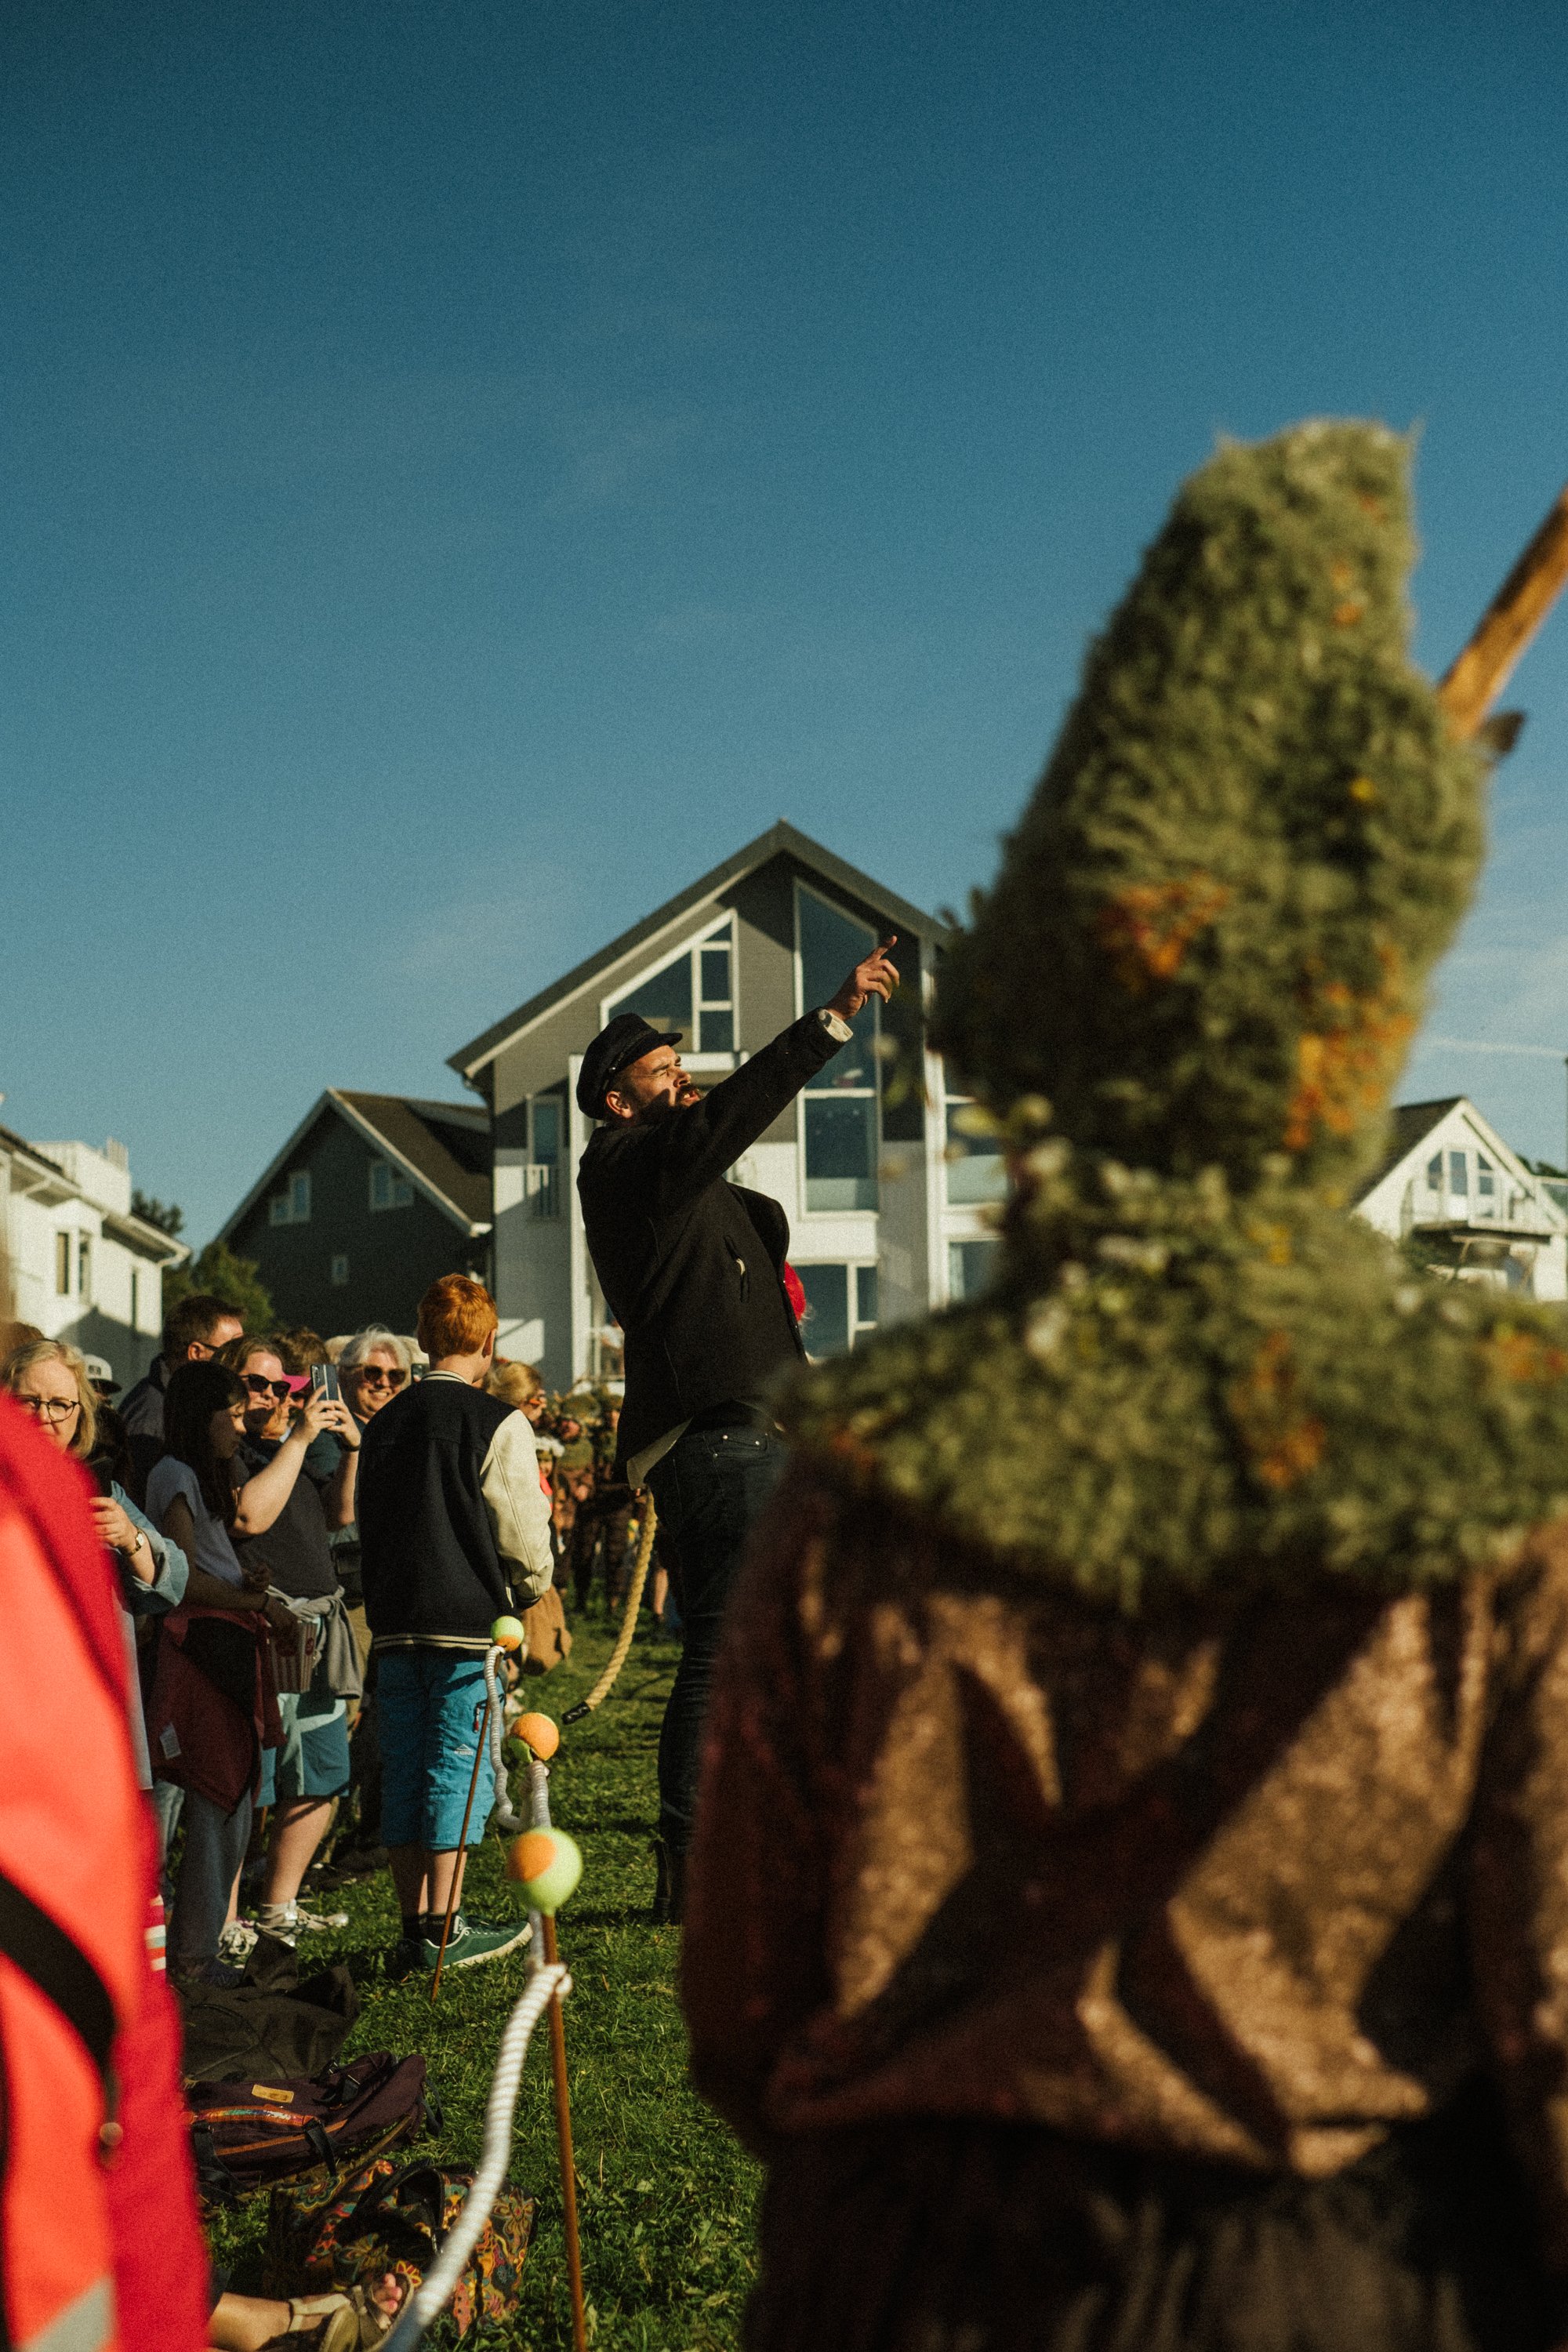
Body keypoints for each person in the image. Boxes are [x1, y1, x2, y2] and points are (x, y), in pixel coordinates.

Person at [681, 424, 1568, 2352]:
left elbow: (745, 2013)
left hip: (890, 2282)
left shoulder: (869, 1478)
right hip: (1336, 2288)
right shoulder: (1506, 1452)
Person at [576, 931, 898, 1918]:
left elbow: (737, 1195)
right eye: (659, 1073)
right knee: (722, 1646)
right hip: (715, 1441)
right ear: (614, 1099)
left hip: (755, 1434)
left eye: (682, 1069)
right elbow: (722, 1122)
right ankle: (693, 1866)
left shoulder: (692, 1185)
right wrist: (829, 1020)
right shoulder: (626, 1165)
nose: (680, 1083)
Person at [358, 1273, 554, 1974]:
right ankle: (445, 1927)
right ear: (489, 1340)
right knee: (457, 1768)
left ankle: (414, 1926)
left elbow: (368, 1524)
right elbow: (524, 1535)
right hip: (466, 1621)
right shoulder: (498, 1421)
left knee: (405, 1766)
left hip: (394, 1622)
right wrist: (531, 1588)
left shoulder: (381, 1424)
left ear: (424, 1339)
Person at [146, 1360, 339, 1975]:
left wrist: (244, 1580)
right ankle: (194, 1957)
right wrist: (254, 1600)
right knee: (216, 1801)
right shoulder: (174, 1473)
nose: (241, 1424)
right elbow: (181, 1577)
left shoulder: (203, 1477)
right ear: (199, 1418)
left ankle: (198, 1952)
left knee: (229, 1804)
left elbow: (210, 1563)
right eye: (230, 1413)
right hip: (203, 1651)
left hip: (225, 1643)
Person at [2, 1335, 190, 1789]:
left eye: (60, 1404)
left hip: (93, 1721)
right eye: (29, 1402)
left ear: (80, 1412)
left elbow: (174, 1581)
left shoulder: (98, 1488)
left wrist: (131, 1538)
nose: (44, 1417)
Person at [226, 1336, 362, 1945]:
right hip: (258, 1631)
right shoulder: (225, 1453)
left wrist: (354, 1448)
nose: (275, 1397)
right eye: (258, 1384)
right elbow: (247, 1517)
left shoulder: (291, 1449)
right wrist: (302, 1438)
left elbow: (339, 1515)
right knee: (247, 1784)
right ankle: (225, 1920)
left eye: (283, 1387)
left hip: (317, 1629)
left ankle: (278, 1907)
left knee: (321, 1774)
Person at [120, 1290, 245, 1502]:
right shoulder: (150, 1416)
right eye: (232, 1353)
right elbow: (142, 1505)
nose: (240, 1364)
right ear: (196, 1353)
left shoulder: (187, 1406)